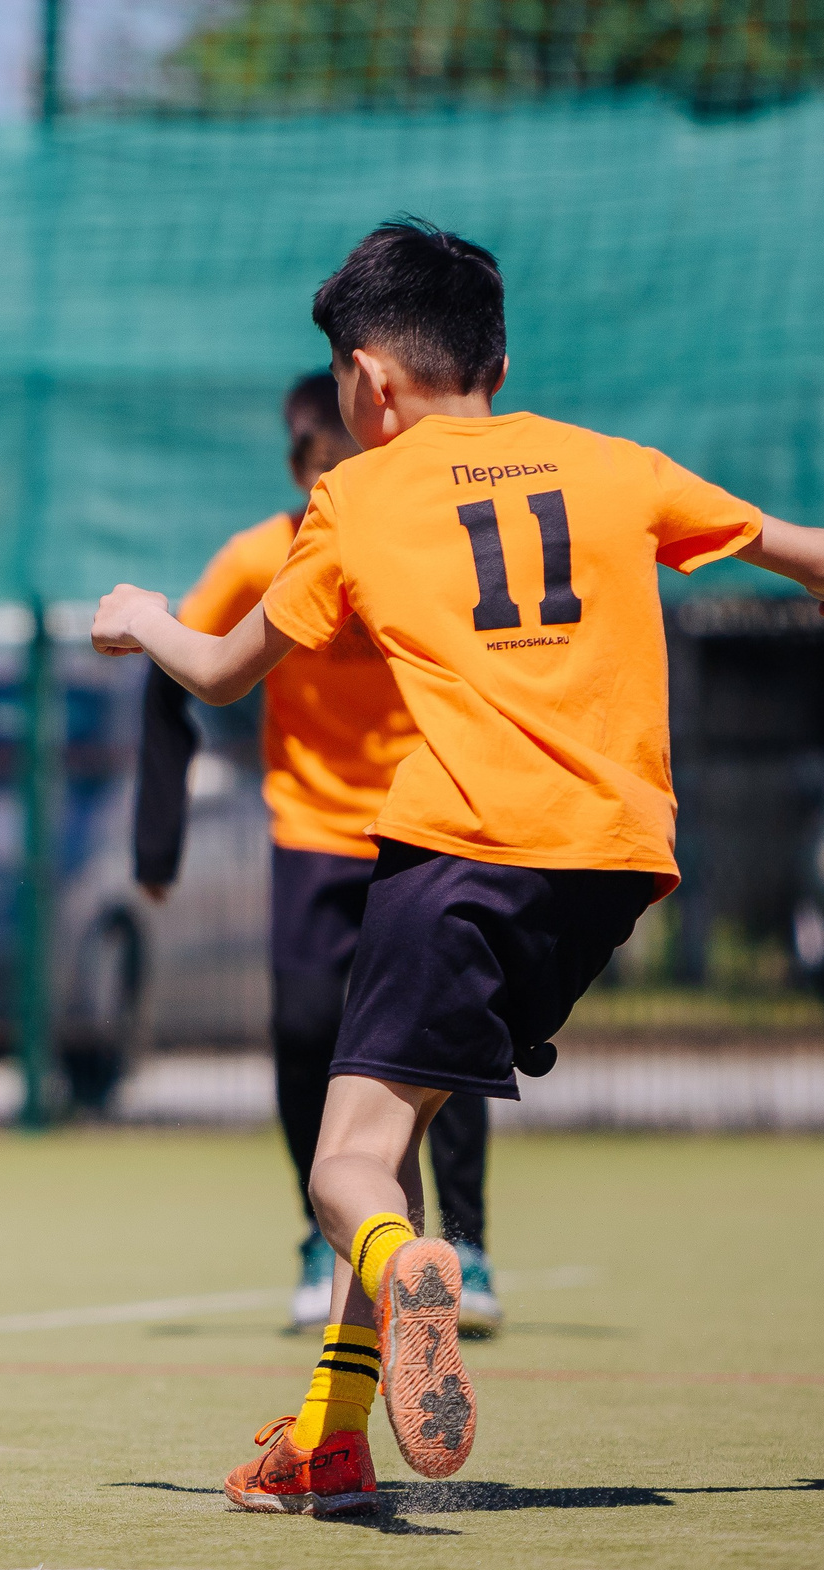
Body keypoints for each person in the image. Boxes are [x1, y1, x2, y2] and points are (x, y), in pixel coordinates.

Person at [92, 219, 824, 1515]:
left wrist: (143, 621)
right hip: (612, 871)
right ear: (495, 358)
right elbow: (816, 553)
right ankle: (333, 1440)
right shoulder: (613, 467)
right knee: (391, 1121)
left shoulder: (355, 495)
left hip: (457, 849)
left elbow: (227, 668)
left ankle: (414, 1262)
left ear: (371, 381)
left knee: (348, 1169)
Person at [134, 372, 499, 1338]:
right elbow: (182, 663)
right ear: (301, 465)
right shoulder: (263, 555)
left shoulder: (425, 536)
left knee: (441, 1040)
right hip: (311, 829)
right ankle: (322, 1230)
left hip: (427, 823)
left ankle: (463, 1240)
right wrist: (157, 838)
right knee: (304, 1030)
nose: (346, 474)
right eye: (324, 465)